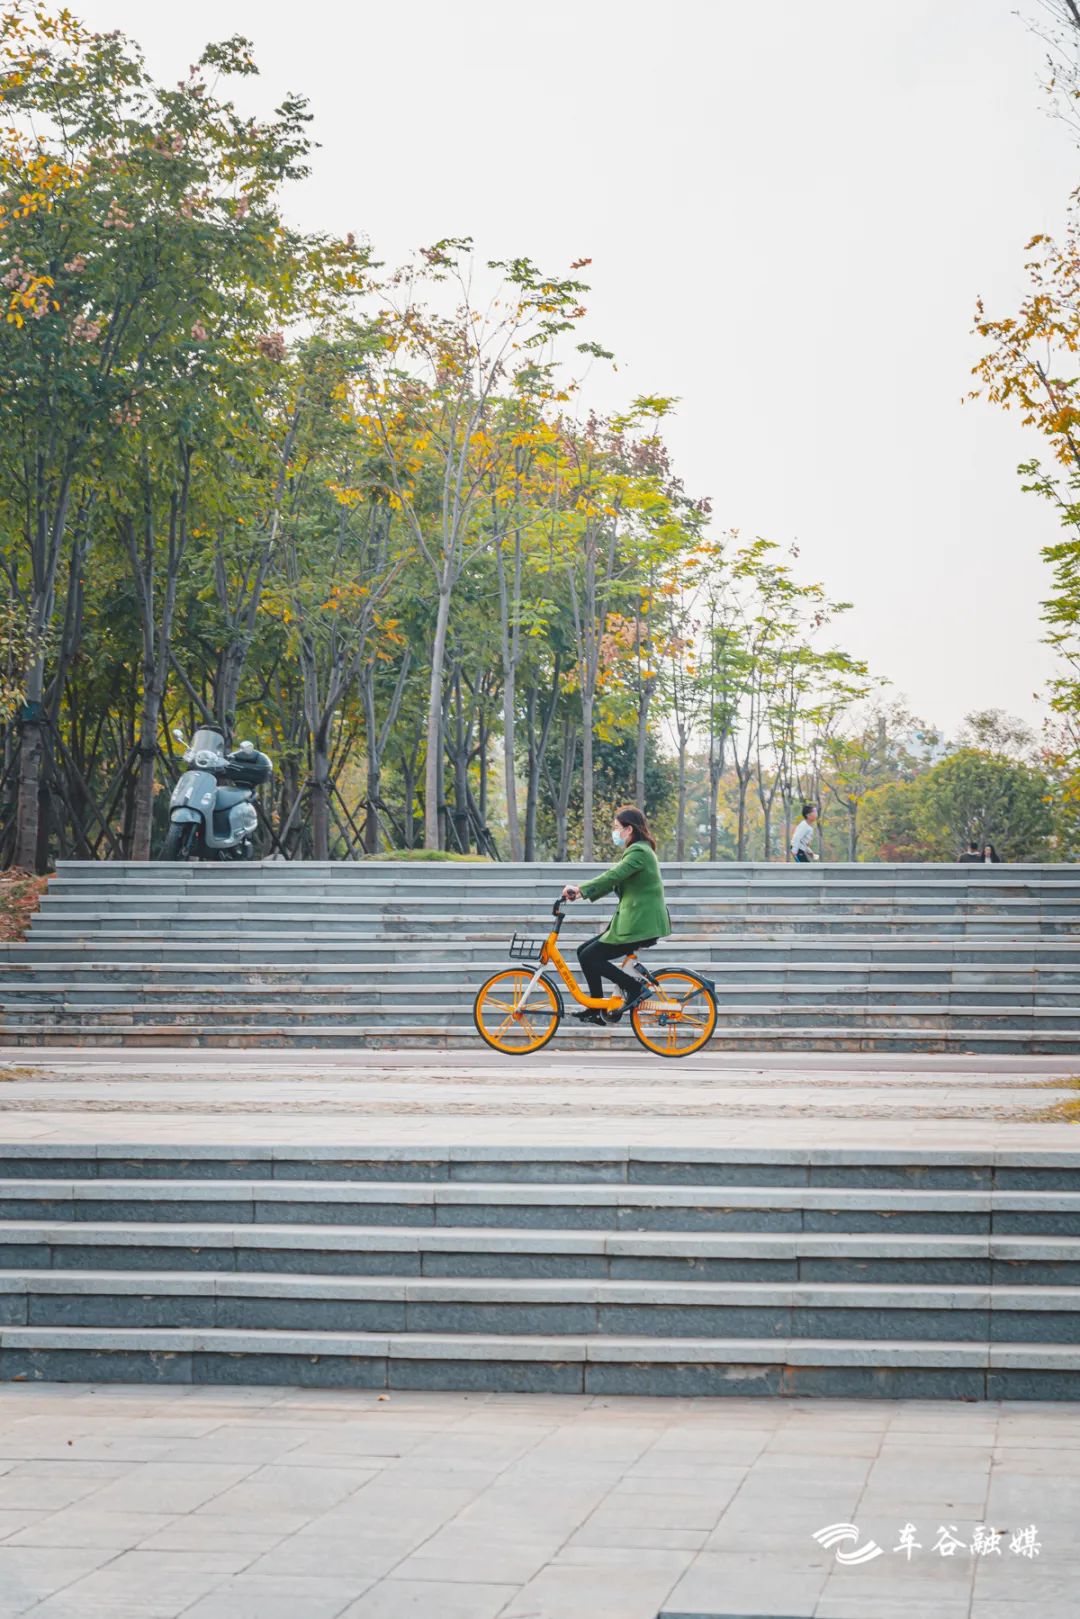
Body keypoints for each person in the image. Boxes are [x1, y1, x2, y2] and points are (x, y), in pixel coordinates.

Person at [561, 805, 672, 1026]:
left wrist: (580, 889)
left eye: (617, 828)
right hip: (636, 922)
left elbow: (613, 875)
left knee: (591, 956)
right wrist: (581, 895)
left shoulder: (639, 851)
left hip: (640, 925)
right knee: (584, 952)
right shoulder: (639, 851)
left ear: (629, 829)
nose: (615, 832)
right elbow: (615, 880)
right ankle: (596, 1007)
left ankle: (634, 988)